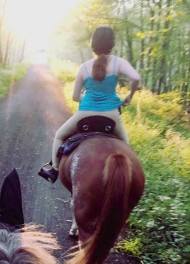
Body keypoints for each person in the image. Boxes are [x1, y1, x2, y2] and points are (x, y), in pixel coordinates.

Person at [38, 25, 140, 183]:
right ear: (112, 44)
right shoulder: (118, 63)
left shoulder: (84, 67)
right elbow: (136, 78)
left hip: (85, 114)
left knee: (59, 136)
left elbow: (74, 97)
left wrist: (85, 98)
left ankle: (54, 171)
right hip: (111, 115)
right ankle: (130, 178)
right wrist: (129, 96)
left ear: (93, 44)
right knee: (126, 147)